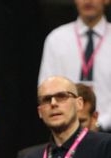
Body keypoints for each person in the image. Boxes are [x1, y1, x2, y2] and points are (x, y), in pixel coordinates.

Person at [17, 76, 111, 158]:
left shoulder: (105, 146)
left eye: (61, 96)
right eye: (46, 99)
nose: (53, 103)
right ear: (40, 111)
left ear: (79, 103)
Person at [38, 0, 111, 131]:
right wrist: (68, 121)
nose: (88, 1)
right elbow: (45, 91)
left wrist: (99, 123)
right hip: (64, 130)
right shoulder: (56, 39)